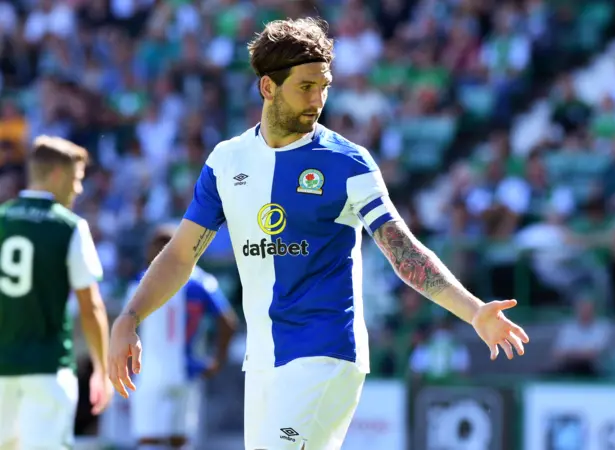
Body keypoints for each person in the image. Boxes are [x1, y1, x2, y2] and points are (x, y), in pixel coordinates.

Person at [108, 17, 530, 450]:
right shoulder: (225, 162)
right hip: (264, 360)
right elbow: (180, 255)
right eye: (306, 86)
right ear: (268, 88)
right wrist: (129, 317)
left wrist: (474, 310)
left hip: (325, 352)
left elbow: (402, 251)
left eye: (324, 85)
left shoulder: (348, 163)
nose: (318, 99)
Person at [0, 136, 112, 449]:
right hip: (48, 368)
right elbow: (91, 308)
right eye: (76, 180)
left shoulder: (2, 219)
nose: (78, 190)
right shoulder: (69, 226)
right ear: (57, 175)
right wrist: (100, 370)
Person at [129, 223, 238, 449]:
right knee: (181, 442)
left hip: (150, 372)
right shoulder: (200, 282)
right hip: (187, 372)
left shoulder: (142, 281)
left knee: (149, 440)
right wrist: (217, 360)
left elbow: (125, 326)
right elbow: (228, 321)